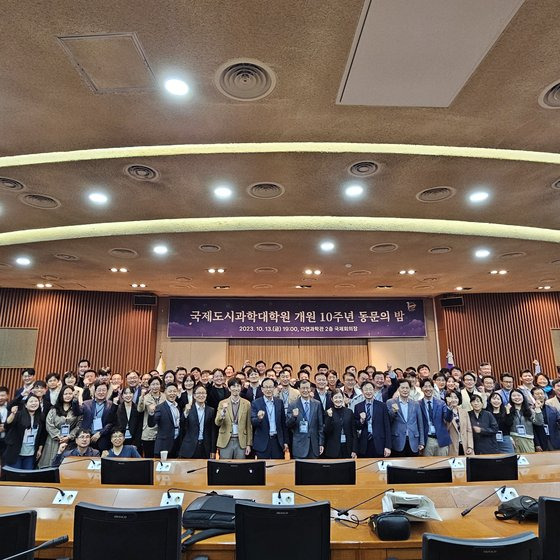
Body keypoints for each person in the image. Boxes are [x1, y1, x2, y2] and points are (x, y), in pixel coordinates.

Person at [39, 385, 81, 468]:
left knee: (65, 466)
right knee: (50, 464)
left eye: (70, 393)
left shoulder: (77, 410)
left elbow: (79, 425)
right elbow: (49, 424)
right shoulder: (54, 409)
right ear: (61, 395)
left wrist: (69, 436)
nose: (68, 395)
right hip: (53, 440)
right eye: (65, 394)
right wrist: (59, 436)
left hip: (69, 441)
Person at [3, 395, 45, 469]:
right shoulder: (19, 414)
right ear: (25, 405)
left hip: (31, 453)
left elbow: (42, 435)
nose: (34, 403)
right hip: (16, 452)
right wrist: (13, 414)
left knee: (26, 477)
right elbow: (7, 425)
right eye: (31, 401)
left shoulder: (41, 417)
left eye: (36, 401)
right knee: (15, 476)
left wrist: (39, 449)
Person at [251, 378, 288, 459]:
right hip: (263, 442)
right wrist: (259, 418)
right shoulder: (256, 403)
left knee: (278, 469)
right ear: (262, 389)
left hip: (277, 442)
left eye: (270, 387)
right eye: (266, 387)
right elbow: (253, 422)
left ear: (274, 388)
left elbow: (283, 424)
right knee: (263, 469)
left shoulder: (279, 402)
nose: (268, 389)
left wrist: (285, 441)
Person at [215, 378, 252, 459]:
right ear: (229, 388)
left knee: (240, 467)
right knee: (225, 466)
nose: (236, 388)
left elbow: (248, 425)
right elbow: (217, 422)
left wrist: (248, 444)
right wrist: (223, 412)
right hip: (225, 440)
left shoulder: (247, 404)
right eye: (233, 386)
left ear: (241, 387)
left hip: (241, 441)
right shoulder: (222, 403)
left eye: (238, 386)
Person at [286, 380, 324, 459]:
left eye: (307, 388)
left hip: (314, 445)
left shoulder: (317, 404)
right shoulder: (293, 404)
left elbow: (320, 426)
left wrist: (321, 443)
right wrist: (294, 416)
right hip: (299, 446)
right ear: (299, 389)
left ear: (310, 389)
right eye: (303, 388)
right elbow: (288, 425)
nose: (305, 390)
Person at [387, 379, 425, 456]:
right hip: (397, 441)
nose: (405, 390)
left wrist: (421, 442)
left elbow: (420, 424)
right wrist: (393, 412)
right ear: (398, 389)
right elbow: (388, 422)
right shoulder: (390, 402)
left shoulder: (415, 404)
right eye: (402, 388)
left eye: (407, 388)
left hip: (413, 440)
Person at [354, 381, 392, 458]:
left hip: (379, 442)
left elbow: (387, 427)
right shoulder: (358, 406)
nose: (368, 392)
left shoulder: (382, 406)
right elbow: (356, 426)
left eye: (370, 389)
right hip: (363, 443)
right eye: (366, 390)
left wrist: (388, 446)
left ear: (374, 390)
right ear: (362, 391)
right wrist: (361, 421)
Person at [178, 384, 216, 459]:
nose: (201, 395)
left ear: (206, 395)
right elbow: (182, 425)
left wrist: (213, 450)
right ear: (194, 396)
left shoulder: (211, 410)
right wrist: (186, 413)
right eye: (199, 393)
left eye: (203, 393)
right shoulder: (188, 409)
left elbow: (213, 431)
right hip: (190, 446)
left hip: (205, 447)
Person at [148, 383, 182, 458]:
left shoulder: (178, 406)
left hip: (176, 444)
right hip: (163, 445)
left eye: (174, 391)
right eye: (170, 391)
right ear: (165, 392)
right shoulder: (160, 407)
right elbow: (151, 424)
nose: (172, 393)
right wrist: (151, 413)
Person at [419, 379, 452, 456]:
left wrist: (450, 408)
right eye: (425, 386)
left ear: (433, 388)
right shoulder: (418, 404)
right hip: (427, 440)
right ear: (421, 389)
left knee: (443, 464)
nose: (428, 389)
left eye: (430, 386)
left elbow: (448, 418)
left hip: (441, 439)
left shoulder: (441, 403)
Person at [80, 380, 115, 451]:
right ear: (95, 391)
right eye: (99, 390)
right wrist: (75, 400)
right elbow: (77, 412)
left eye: (104, 390)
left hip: (103, 438)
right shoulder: (86, 403)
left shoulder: (111, 405)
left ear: (107, 392)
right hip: (87, 437)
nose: (101, 392)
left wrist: (100, 433)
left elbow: (111, 422)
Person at [323, 390, 357, 459]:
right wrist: (329, 417)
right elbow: (327, 431)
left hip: (347, 448)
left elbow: (354, 432)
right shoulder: (328, 412)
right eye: (335, 398)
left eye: (340, 397)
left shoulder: (349, 412)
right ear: (332, 399)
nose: (338, 400)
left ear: (343, 398)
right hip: (333, 449)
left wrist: (354, 449)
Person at [138, 376, 165, 458]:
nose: (155, 386)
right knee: (149, 457)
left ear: (160, 385)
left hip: (162, 430)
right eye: (153, 384)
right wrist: (141, 398)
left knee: (160, 457)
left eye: (157, 384)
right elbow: (140, 409)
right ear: (149, 386)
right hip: (148, 432)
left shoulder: (165, 396)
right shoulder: (145, 397)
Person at [509, 388, 543, 453]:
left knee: (530, 460)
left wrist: (538, 408)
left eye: (518, 395)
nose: (516, 397)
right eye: (513, 396)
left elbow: (539, 422)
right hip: (513, 439)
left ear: (523, 397)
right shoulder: (508, 410)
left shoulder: (530, 410)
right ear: (510, 398)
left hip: (528, 439)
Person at [445, 391, 474, 456]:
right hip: (452, 445)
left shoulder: (464, 412)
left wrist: (470, 446)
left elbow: (469, 430)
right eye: (451, 397)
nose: (453, 400)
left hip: (465, 444)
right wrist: (449, 410)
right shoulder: (444, 412)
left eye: (456, 397)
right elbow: (446, 428)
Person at [0, 386, 9, 458]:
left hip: (7, 440)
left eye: (2, 395)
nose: (0, 398)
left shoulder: (11, 407)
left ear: (7, 396)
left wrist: (6, 427)